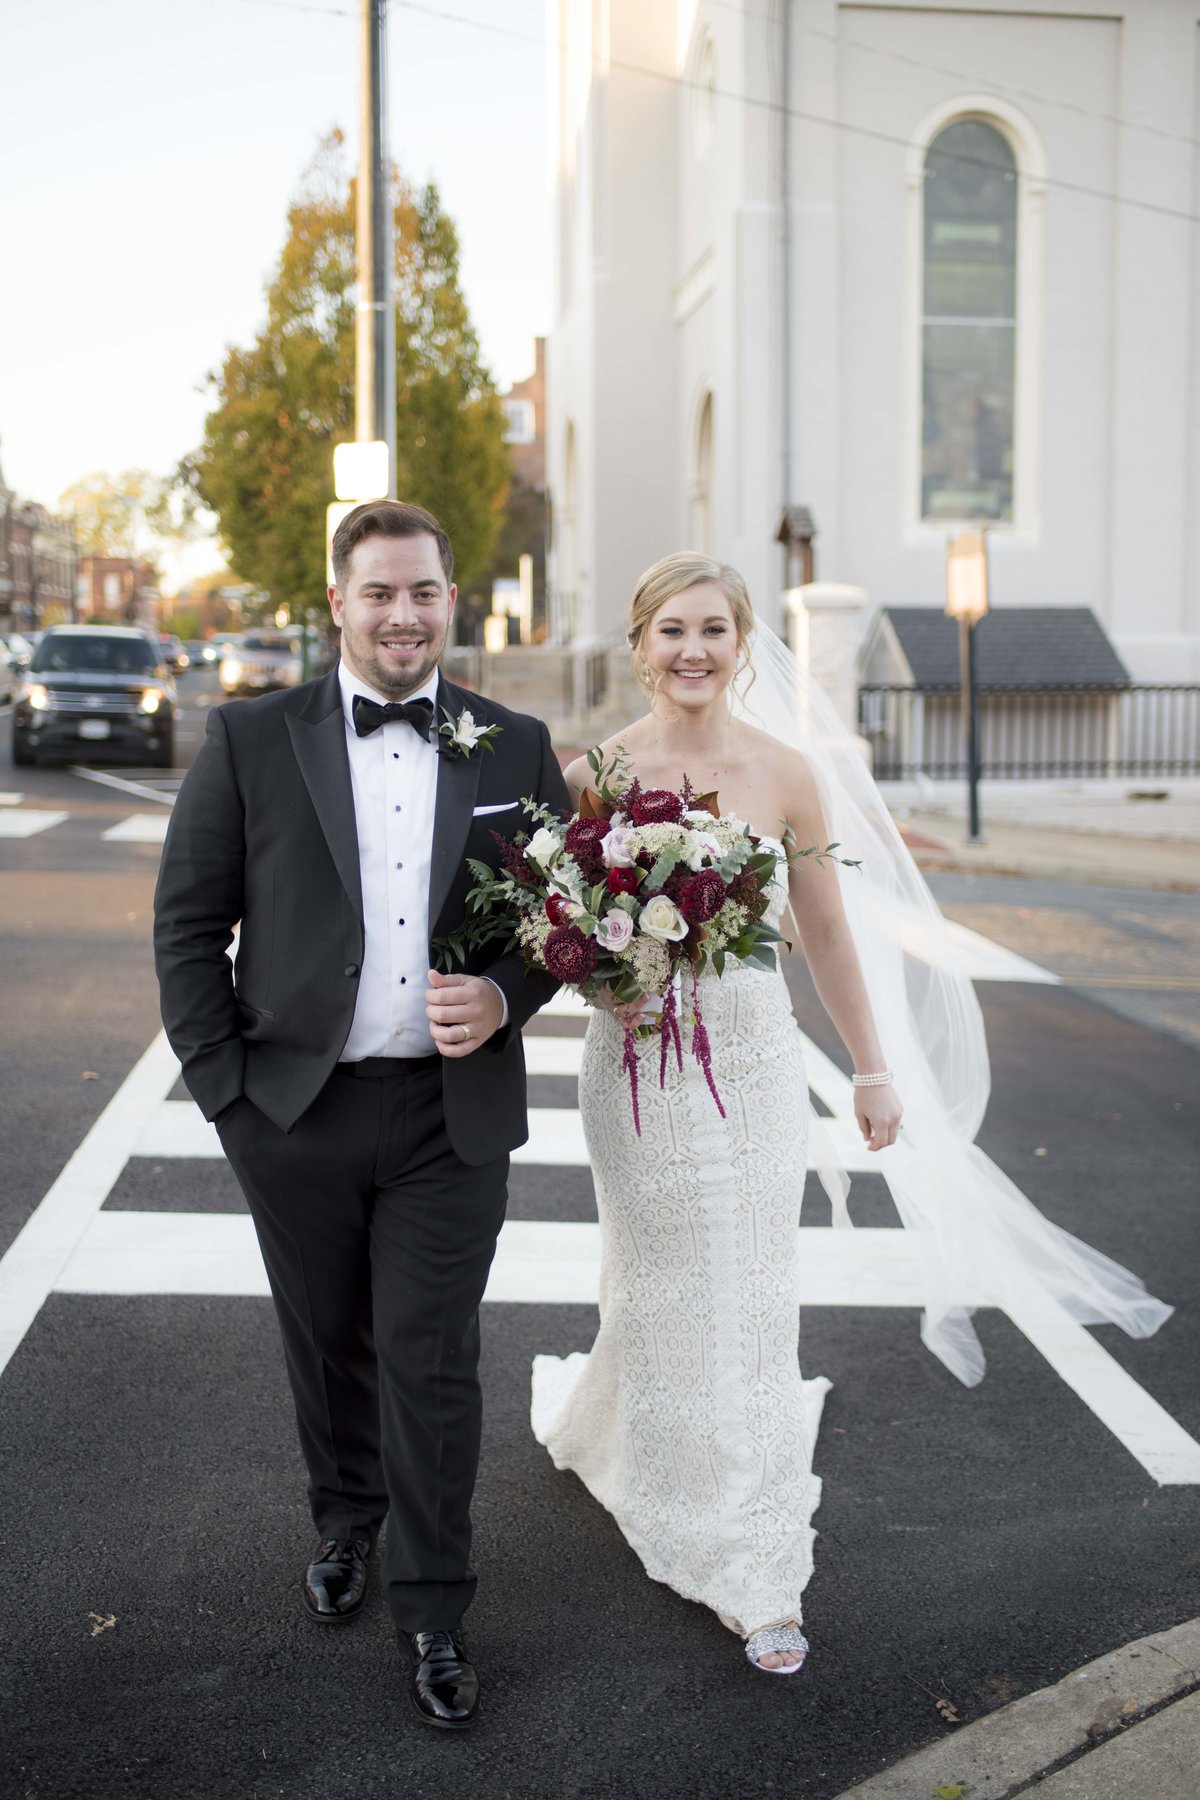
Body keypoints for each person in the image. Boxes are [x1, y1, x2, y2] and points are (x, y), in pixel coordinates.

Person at [531, 551, 1172, 1675]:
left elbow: (822, 932)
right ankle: (646, 1441)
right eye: (671, 631)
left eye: (714, 631)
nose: (692, 651)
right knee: (660, 1273)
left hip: (756, 1054)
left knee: (751, 1279)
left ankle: (751, 1555)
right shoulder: (592, 775)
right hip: (637, 1066)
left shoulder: (786, 774)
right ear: (640, 644)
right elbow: (564, 939)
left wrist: (874, 1069)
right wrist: (605, 972)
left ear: (740, 646)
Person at [154, 500, 570, 1731]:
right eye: (380, 592)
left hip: (454, 1120)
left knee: (432, 1359)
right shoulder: (248, 737)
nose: (403, 614)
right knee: (327, 1338)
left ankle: (435, 1603)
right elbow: (188, 926)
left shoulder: (513, 744)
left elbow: (560, 928)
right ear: (337, 600)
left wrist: (503, 995)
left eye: (425, 592)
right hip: (296, 1109)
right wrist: (229, 1093)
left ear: (454, 600)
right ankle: (346, 1522)